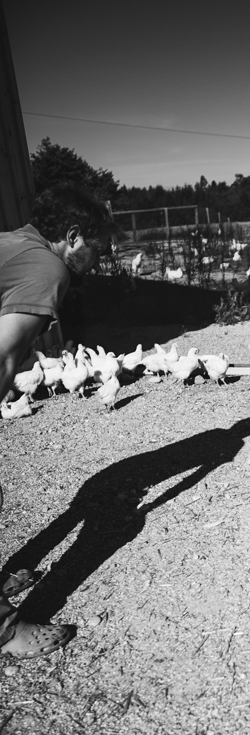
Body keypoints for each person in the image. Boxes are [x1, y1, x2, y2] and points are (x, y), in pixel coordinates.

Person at [0, 183, 118, 659]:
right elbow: (4, 358)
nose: (102, 259)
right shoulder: (48, 268)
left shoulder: (14, 242)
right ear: (73, 236)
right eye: (99, 248)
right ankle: (6, 632)